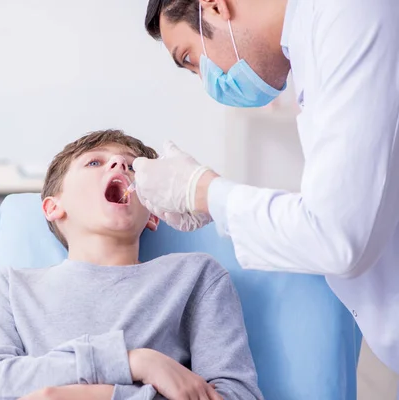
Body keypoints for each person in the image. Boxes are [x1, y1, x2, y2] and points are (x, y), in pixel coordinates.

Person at [134, 0, 399, 380]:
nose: (207, 79)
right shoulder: (312, 41)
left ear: (214, 6)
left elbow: (338, 237)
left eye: (191, 58)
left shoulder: (349, 15)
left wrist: (204, 191)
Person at [0, 129, 264, 400]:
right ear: (53, 207)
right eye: (94, 162)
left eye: (132, 166)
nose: (120, 165)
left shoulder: (196, 276)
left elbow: (237, 396)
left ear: (153, 215)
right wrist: (136, 362)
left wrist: (81, 396)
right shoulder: (12, 288)